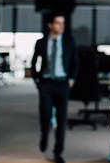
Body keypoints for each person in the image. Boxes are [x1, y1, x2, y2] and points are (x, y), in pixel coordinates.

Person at [31, 12, 79, 163]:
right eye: (58, 23)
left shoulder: (69, 42)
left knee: (61, 119)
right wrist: (37, 80)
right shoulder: (41, 42)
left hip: (62, 84)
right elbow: (33, 63)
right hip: (46, 84)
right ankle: (44, 135)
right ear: (50, 25)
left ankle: (58, 152)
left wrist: (71, 80)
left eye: (63, 23)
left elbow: (75, 63)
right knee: (45, 117)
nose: (61, 26)